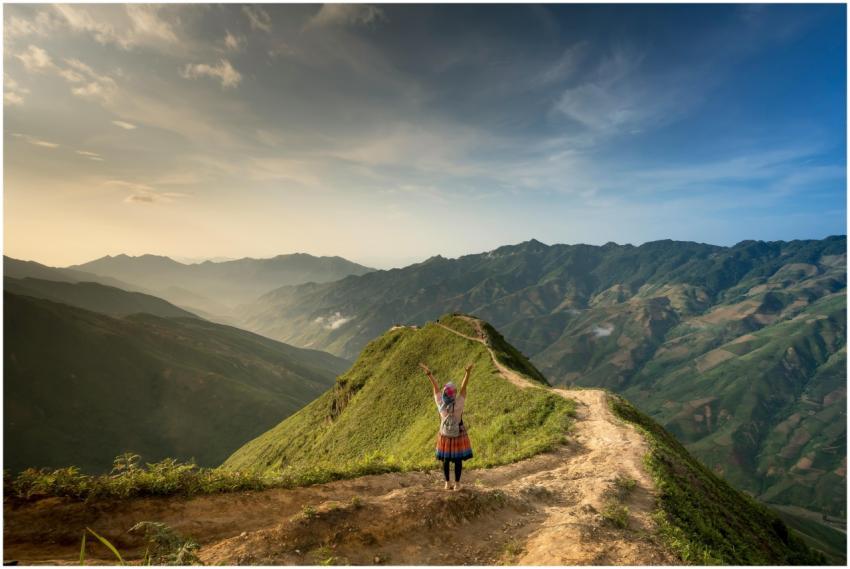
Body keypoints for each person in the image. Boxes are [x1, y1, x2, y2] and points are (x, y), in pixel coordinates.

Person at [419, 362, 474, 490]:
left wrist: (429, 374)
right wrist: (467, 373)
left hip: (444, 435)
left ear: (444, 393)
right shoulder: (459, 402)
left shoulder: (440, 404)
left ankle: (447, 482)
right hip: (458, 433)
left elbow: (436, 388)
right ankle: (457, 484)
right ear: (454, 394)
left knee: (446, 459)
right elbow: (463, 387)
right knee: (458, 460)